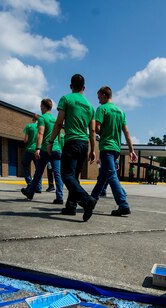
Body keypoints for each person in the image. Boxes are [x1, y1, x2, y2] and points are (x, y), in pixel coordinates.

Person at [46, 74, 97, 221]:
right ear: (84, 88)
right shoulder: (90, 106)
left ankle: (87, 201)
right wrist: (93, 149)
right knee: (74, 177)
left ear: (70, 86)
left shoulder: (66, 99)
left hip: (72, 142)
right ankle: (71, 206)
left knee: (66, 175)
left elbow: (58, 122)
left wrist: (50, 141)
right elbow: (92, 131)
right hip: (84, 144)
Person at [90, 86, 138, 216]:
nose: (98, 101)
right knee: (102, 178)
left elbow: (97, 128)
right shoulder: (120, 111)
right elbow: (126, 132)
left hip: (106, 147)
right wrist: (131, 150)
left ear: (105, 95)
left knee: (111, 176)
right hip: (116, 148)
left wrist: (94, 129)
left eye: (99, 97)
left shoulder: (102, 109)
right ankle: (91, 200)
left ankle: (123, 205)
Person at [21, 98, 64, 205]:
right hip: (56, 149)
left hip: (45, 149)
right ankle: (59, 197)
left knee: (38, 173)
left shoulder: (42, 118)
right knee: (57, 174)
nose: (40, 108)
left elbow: (40, 133)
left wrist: (38, 148)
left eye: (41, 106)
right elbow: (59, 135)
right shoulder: (55, 119)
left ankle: (30, 192)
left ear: (44, 107)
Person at [22, 114, 41, 193]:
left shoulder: (29, 126)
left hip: (29, 150)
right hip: (38, 150)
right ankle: (38, 187)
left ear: (32, 119)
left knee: (24, 164)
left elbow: (25, 140)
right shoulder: (41, 127)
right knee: (38, 169)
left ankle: (30, 182)